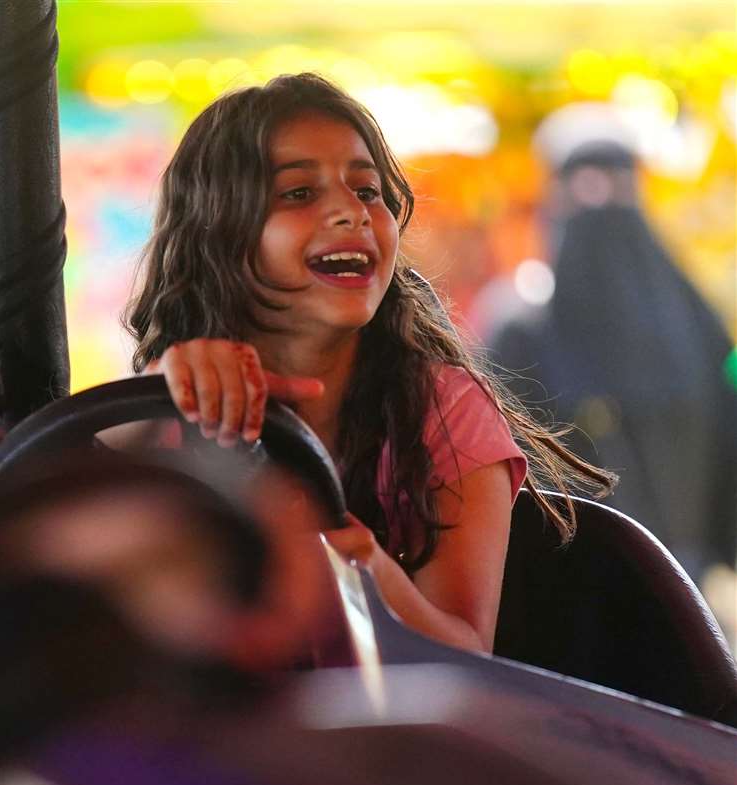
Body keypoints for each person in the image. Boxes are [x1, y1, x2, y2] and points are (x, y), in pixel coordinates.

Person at [123, 73, 612, 653]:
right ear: (219, 234)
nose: (350, 213)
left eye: (367, 191)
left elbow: (466, 654)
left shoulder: (445, 410)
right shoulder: (166, 401)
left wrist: (355, 561)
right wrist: (155, 399)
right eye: (299, 194)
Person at [483, 124, 736, 586]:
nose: (598, 203)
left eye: (614, 185)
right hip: (568, 580)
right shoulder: (522, 328)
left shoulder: (697, 323)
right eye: (582, 188)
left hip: (686, 583)